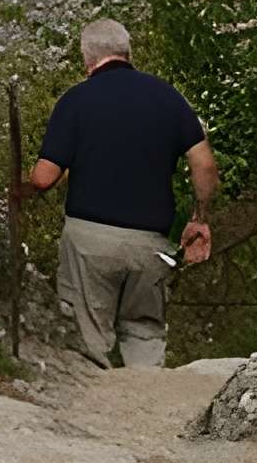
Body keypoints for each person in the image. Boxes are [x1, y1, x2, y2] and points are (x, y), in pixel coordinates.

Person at [14, 19, 219, 369]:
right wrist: (199, 219)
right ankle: (148, 412)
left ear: (87, 58)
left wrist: (22, 190)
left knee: (87, 342)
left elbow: (45, 177)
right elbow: (205, 166)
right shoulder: (168, 97)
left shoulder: (76, 100)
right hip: (150, 245)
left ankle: (92, 415)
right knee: (144, 333)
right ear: (127, 52)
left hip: (89, 242)